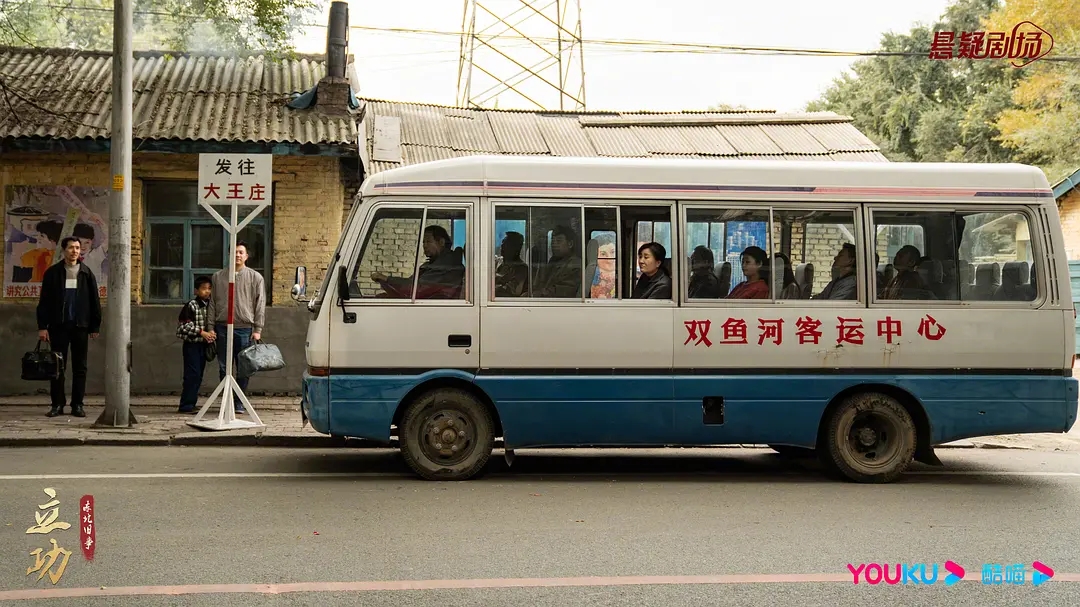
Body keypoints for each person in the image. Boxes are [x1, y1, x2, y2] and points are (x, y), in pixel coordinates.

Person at [35, 236, 101, 418]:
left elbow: (94, 301)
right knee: (57, 367)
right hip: (59, 327)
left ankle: (77, 405)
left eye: (77, 248)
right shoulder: (53, 273)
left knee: (80, 367)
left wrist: (95, 326)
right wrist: (42, 326)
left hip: (80, 327)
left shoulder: (86, 273)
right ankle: (57, 404)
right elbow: (44, 302)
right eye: (71, 248)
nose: (75, 251)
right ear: (64, 250)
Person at [207, 241, 266, 413]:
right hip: (222, 327)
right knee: (224, 367)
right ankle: (227, 402)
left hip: (244, 329)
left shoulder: (255, 277)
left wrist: (257, 329)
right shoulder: (218, 277)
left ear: (246, 256)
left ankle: (239, 402)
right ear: (229, 255)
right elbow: (212, 303)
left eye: (241, 252)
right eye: (234, 252)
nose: (237, 255)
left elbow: (260, 304)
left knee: (243, 367)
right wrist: (210, 326)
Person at [371, 225, 464, 299]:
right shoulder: (432, 264)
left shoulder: (446, 265)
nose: (424, 245)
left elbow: (416, 289)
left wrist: (387, 279)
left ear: (441, 242)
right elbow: (409, 285)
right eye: (423, 242)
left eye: (428, 241)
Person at [176, 276, 216, 413]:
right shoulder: (191, 306)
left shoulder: (211, 305)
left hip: (204, 346)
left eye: (209, 288)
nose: (207, 291)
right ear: (196, 291)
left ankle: (191, 403)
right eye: (203, 288)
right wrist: (201, 332)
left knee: (198, 375)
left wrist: (211, 333)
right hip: (192, 345)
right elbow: (183, 327)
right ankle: (186, 406)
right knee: (192, 375)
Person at [533, 225, 582, 298]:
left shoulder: (575, 264)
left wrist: (541, 293)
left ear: (570, 244)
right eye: (552, 241)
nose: (554, 244)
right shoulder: (554, 261)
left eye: (559, 241)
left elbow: (566, 290)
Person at [494, 231, 529, 297]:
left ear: (516, 249)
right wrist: (502, 279)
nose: (502, 246)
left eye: (506, 244)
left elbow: (512, 291)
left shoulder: (521, 268)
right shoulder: (498, 263)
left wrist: (495, 283)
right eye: (502, 243)